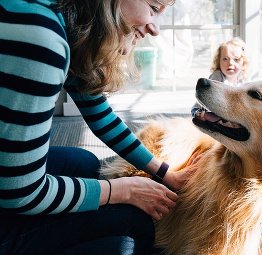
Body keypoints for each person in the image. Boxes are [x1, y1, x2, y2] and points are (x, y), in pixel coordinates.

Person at [0, 0, 200, 254]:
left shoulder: (60, 17)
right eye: (153, 7)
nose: (155, 28)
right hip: (16, 194)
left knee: (83, 162)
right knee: (131, 224)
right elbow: (23, 192)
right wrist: (122, 191)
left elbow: (101, 117)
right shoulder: (42, 40)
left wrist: (164, 172)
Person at [192, 37, 249, 115]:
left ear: (243, 63)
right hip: (202, 109)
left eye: (236, 59)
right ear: (218, 61)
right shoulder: (218, 76)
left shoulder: (242, 79)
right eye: (225, 59)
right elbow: (212, 101)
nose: (231, 63)